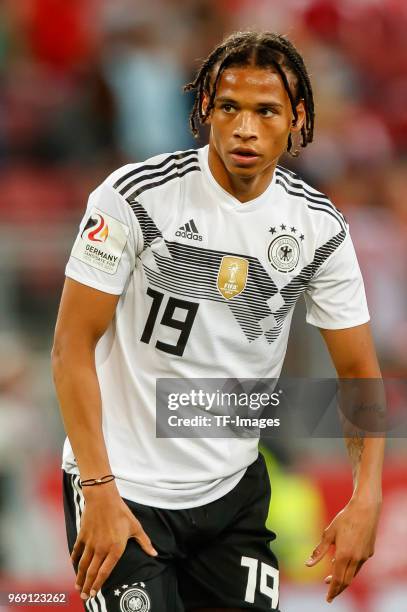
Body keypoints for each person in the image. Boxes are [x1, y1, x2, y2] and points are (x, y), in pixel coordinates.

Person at [52, 31, 384, 612]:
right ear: (206, 109)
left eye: (266, 111)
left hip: (231, 496)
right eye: (229, 107)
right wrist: (97, 489)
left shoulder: (319, 228)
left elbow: (359, 372)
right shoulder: (134, 198)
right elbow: (70, 348)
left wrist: (366, 497)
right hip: (125, 491)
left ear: (297, 117)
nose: (245, 128)